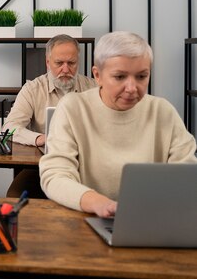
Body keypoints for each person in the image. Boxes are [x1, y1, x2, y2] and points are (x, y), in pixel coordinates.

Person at [40, 31, 197, 217]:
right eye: (120, 77)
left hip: (152, 217)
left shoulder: (163, 111)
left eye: (141, 76)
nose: (132, 88)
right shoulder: (73, 108)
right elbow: (55, 176)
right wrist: (98, 203)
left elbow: (186, 176)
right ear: (97, 75)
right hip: (88, 218)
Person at [2, 34, 97, 197]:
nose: (66, 69)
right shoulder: (32, 89)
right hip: (42, 166)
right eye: (59, 63)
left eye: (71, 63)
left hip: (84, 166)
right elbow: (9, 128)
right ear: (47, 62)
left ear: (78, 62)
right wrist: (40, 138)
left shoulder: (94, 88)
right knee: (15, 197)